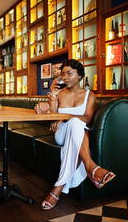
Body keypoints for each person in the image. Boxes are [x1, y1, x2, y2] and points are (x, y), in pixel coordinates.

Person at [35, 59, 116, 210]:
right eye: (63, 74)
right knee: (74, 124)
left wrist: (64, 116)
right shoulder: (59, 94)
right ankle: (91, 166)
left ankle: (57, 189)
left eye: (69, 73)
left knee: (76, 124)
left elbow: (87, 119)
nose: (65, 77)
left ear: (80, 76)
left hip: (79, 133)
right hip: (61, 134)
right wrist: (49, 102)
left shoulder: (89, 95)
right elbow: (53, 120)